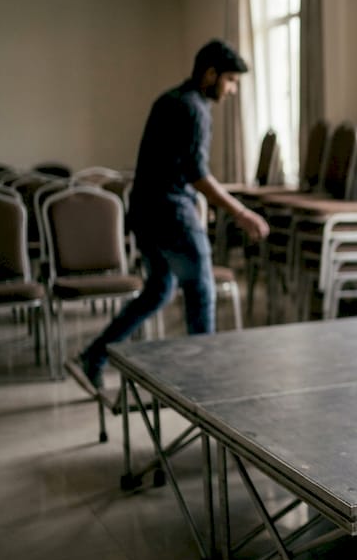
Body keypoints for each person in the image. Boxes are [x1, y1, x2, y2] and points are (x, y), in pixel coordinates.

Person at [66, 39, 269, 394]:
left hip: (145, 213)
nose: (232, 90)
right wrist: (240, 212)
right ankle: (205, 391)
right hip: (173, 215)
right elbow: (196, 174)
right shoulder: (194, 108)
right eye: (231, 81)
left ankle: (93, 356)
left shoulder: (169, 100)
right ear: (211, 74)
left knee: (159, 291)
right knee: (201, 290)